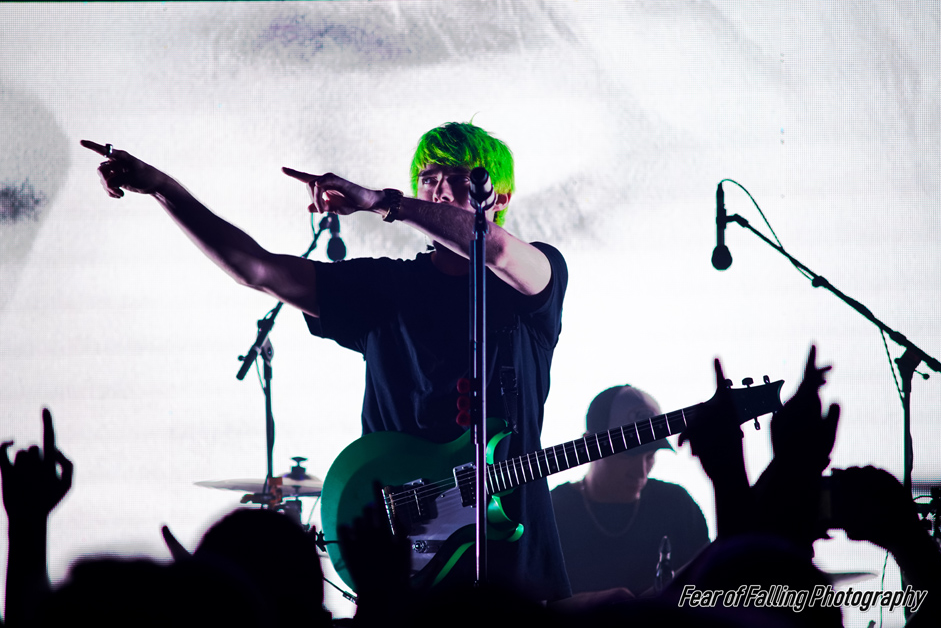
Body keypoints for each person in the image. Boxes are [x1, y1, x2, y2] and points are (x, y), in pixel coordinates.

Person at [81, 121, 571, 601]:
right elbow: (256, 268)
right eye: (428, 177)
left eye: (459, 177)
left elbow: (497, 248)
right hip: (402, 548)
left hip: (513, 562)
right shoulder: (386, 288)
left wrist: (381, 202)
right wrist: (165, 190)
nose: (439, 189)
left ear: (500, 198)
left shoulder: (535, 276)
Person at [551, 385, 709, 599]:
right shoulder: (553, 513)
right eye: (628, 455)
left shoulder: (678, 505)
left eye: (650, 456)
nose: (641, 472)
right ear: (588, 444)